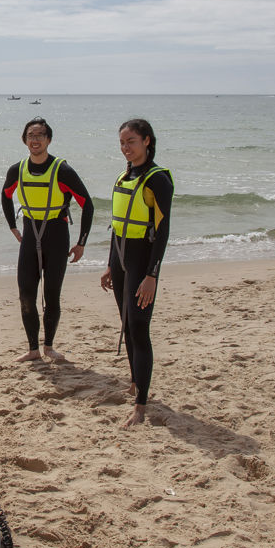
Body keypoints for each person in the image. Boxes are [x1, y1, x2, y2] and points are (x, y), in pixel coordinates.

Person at [99, 118, 174, 428]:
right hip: (120, 259)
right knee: (127, 324)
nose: (125, 148)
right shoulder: (124, 176)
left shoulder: (158, 180)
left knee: (139, 331)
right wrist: (109, 264)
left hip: (143, 263)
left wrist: (151, 275)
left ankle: (141, 406)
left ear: (147, 141)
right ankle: (134, 382)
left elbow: (163, 229)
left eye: (131, 141)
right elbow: (118, 226)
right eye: (122, 143)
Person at [0, 118, 94, 362]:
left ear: (49, 139)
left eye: (41, 135)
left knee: (52, 294)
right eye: (31, 135)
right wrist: (12, 226)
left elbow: (87, 204)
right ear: (24, 139)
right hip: (30, 235)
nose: (35, 139)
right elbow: (6, 195)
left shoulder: (62, 170)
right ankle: (33, 349)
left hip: (57, 236)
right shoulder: (17, 170)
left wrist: (82, 242)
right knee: (26, 294)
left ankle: (49, 347)